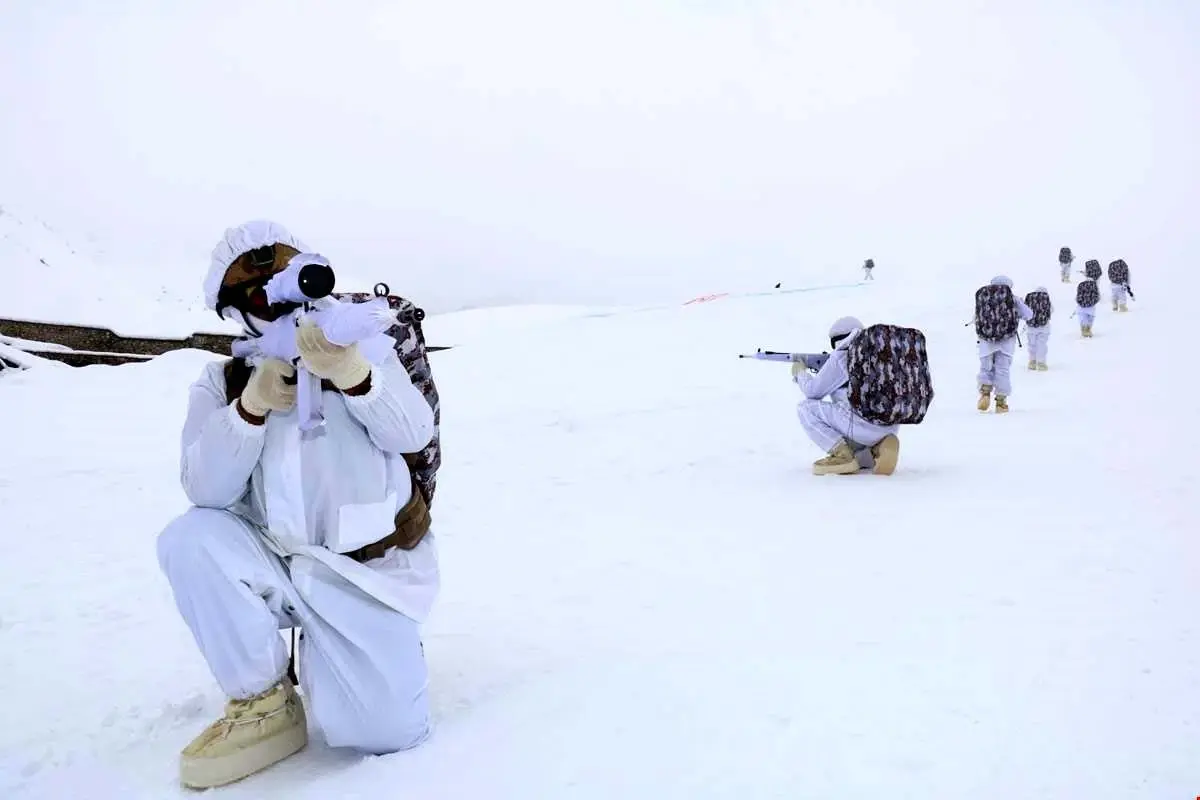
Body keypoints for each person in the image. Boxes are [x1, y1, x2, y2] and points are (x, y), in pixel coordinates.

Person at [155, 220, 439, 789]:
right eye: (253, 281)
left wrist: (356, 376)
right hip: (275, 563)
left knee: (386, 733)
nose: (274, 286)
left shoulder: (366, 347)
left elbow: (413, 433)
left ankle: (348, 652)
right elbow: (206, 490)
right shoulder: (223, 379)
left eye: (279, 265)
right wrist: (250, 408)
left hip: (366, 573)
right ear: (233, 307)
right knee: (192, 539)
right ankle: (263, 700)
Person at [792, 316, 900, 475]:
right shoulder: (882, 353)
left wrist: (800, 372)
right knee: (849, 413)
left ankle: (843, 456)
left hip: (860, 426)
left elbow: (813, 392)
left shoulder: (843, 356)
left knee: (805, 409)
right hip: (890, 427)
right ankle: (880, 447)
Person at [976, 275, 1033, 413]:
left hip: (986, 341)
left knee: (986, 368)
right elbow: (1029, 315)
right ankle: (1001, 402)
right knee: (1002, 370)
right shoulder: (1013, 298)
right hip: (1006, 341)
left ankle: (984, 393)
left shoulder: (984, 297)